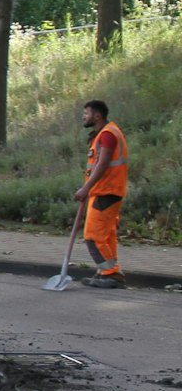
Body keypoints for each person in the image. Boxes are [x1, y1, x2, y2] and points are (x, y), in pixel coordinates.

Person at [73, 99, 129, 288]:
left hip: (106, 191)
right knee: (106, 235)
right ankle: (109, 272)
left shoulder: (107, 135)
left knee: (93, 236)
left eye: (86, 113)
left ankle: (110, 274)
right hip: (107, 191)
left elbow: (102, 164)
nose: (84, 116)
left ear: (97, 116)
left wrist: (85, 188)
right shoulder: (105, 133)